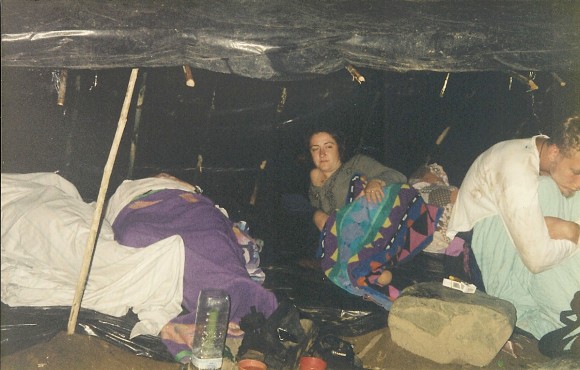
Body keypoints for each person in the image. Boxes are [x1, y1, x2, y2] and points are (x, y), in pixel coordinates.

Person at [105, 172, 279, 361]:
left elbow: (197, 193)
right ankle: (218, 316)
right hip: (142, 207)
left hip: (189, 204)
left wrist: (187, 188)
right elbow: (111, 215)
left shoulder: (180, 184)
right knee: (136, 236)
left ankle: (239, 301)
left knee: (212, 237)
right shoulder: (127, 187)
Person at [447, 114, 580, 348]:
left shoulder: (546, 156)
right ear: (554, 152)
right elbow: (538, 260)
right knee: (550, 189)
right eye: (576, 171)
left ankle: (563, 311)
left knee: (569, 194)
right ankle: (558, 315)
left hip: (522, 243)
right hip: (477, 254)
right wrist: (573, 233)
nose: (578, 180)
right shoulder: (517, 171)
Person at [308, 129, 407, 231]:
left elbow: (399, 176)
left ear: (339, 148)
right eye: (315, 149)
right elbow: (314, 208)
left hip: (379, 234)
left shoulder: (356, 164)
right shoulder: (314, 182)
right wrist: (316, 214)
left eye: (328, 146)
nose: (322, 154)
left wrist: (376, 181)